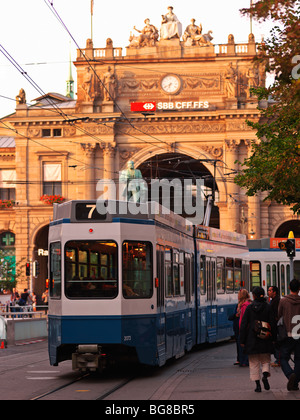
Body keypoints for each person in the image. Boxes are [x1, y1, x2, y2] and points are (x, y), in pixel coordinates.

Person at [239, 286, 276, 393]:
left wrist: (242, 340)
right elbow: (273, 323)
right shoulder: (268, 307)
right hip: (265, 338)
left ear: (254, 296)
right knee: (265, 360)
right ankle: (265, 374)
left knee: (254, 362)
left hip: (252, 339)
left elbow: (244, 325)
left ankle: (258, 385)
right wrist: (273, 338)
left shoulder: (249, 308)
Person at [278, 279, 300, 391]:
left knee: (283, 358)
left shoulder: (283, 301)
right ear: (299, 289)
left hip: (287, 334)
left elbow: (279, 315)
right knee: (299, 359)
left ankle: (289, 374)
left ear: (289, 288)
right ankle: (295, 382)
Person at [237, 289, 251, 367]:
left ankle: (244, 361)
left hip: (244, 329)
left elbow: (244, 319)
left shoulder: (245, 305)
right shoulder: (243, 305)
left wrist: (242, 329)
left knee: (242, 345)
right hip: (243, 328)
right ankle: (243, 361)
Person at [268, 285, 281, 367]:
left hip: (275, 325)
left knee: (276, 342)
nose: (268, 292)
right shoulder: (273, 300)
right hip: (274, 324)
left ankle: (278, 360)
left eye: (270, 290)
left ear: (274, 292)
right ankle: (278, 359)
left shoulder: (276, 301)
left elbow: (276, 313)